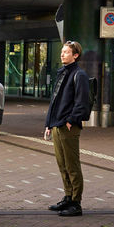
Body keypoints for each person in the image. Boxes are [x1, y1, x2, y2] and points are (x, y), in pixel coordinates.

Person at [44, 41, 91, 217]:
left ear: (76, 55)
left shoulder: (79, 75)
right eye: (62, 51)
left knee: (72, 165)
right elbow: (54, 101)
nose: (62, 54)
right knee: (62, 164)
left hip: (68, 126)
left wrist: (71, 120)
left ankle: (75, 203)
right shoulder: (62, 73)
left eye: (66, 52)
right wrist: (48, 124)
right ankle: (68, 196)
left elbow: (82, 102)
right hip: (57, 124)